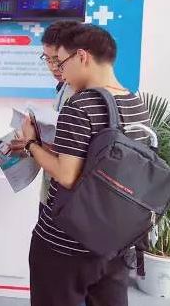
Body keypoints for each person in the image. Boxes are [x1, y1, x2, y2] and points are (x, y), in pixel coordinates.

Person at [13, 24, 151, 306]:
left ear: (82, 57)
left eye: (62, 63)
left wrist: (31, 144)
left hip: (66, 242)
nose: (61, 73)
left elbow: (66, 175)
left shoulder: (80, 106)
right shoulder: (136, 104)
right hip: (115, 240)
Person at [37, 20, 78, 213]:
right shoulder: (64, 86)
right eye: (47, 59)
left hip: (67, 204)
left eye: (57, 59)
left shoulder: (84, 98)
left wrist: (31, 144)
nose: (53, 67)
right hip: (50, 194)